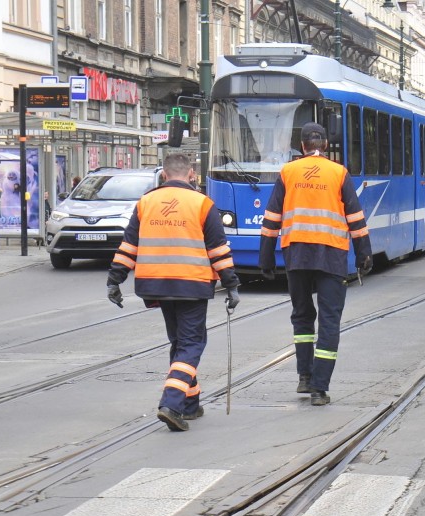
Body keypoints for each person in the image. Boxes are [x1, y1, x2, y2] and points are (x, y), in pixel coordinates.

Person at [106, 153, 240, 432]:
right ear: (191, 174)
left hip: (157, 283)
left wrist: (114, 280)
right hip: (191, 283)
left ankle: (189, 405)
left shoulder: (146, 202)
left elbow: (129, 245)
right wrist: (232, 284)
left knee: (180, 342)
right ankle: (171, 404)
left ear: (164, 175)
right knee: (191, 345)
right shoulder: (202, 204)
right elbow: (218, 250)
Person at [259, 122, 372, 406]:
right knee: (329, 320)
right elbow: (355, 217)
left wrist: (266, 256)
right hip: (331, 255)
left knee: (302, 315)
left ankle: (304, 377)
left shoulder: (288, 172)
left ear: (303, 145)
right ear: (325, 144)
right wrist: (363, 253)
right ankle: (320, 389)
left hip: (296, 254)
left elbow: (272, 218)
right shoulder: (338, 172)